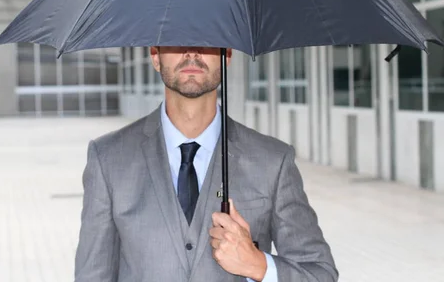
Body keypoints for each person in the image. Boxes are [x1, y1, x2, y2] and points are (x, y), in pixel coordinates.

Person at [74, 46, 338, 281]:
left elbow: (320, 273)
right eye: (178, 38)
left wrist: (258, 265)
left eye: (206, 39)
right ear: (155, 56)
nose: (192, 52)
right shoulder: (108, 158)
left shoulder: (273, 160)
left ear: (228, 56)